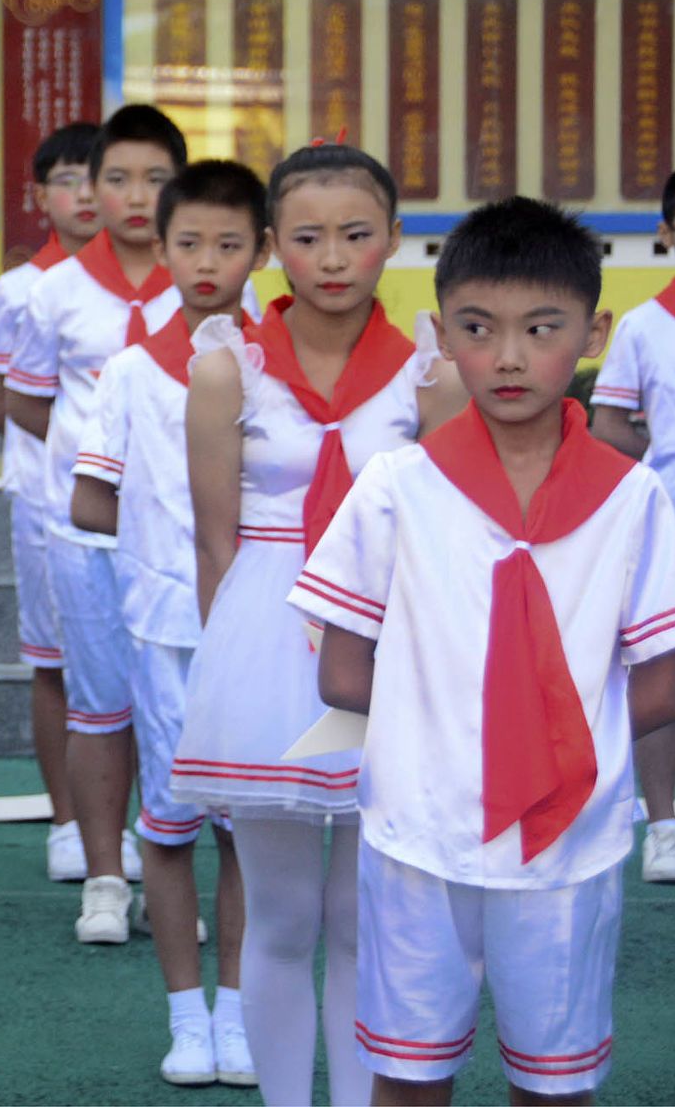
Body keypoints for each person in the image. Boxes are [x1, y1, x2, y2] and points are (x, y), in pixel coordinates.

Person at [292, 197, 675, 1106]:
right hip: (421, 832)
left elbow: (664, 686)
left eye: (540, 329)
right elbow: (340, 671)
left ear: (594, 332)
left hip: (559, 839)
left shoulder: (629, 498)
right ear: (440, 336)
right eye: (477, 330)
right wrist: (486, 742)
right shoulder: (397, 486)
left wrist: (531, 752)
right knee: (411, 1076)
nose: (508, 356)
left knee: (547, 1084)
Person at [173, 141, 461, 1107]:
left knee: (365, 919)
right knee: (283, 919)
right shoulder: (227, 369)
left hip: (390, 640)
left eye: (354, 234)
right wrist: (229, 680)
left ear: (394, 238)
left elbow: (450, 536)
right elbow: (214, 546)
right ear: (269, 247)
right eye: (305, 237)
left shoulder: (430, 372)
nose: (331, 258)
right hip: (267, 638)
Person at [70, 159, 263, 1089]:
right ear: (162, 246)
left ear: (260, 250)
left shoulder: (275, 367)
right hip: (163, 627)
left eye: (229, 245)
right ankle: (187, 1019)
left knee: (250, 829)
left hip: (259, 627)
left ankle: (240, 1015)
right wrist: (163, 538)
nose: (207, 263)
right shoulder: (130, 370)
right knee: (173, 823)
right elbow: (88, 499)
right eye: (189, 243)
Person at [6, 104, 195, 936]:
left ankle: (168, 877)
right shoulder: (52, 291)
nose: (134, 196)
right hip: (80, 533)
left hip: (177, 538)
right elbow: (27, 400)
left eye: (155, 179)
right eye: (116, 178)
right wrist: (95, 466)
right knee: (97, 706)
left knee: (173, 707)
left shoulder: (206, 288)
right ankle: (104, 878)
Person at [587, 162, 675, 883]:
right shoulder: (642, 325)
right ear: (667, 234)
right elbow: (607, 423)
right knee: (662, 672)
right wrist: (655, 460)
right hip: (671, 524)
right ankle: (665, 826)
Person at [0, 119, 101, 879]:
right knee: (55, 660)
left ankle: (137, 822)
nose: (85, 195)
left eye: (99, 178)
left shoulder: (166, 286)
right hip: (48, 499)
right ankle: (68, 821)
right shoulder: (22, 288)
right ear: (39, 196)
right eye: (66, 180)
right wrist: (79, 447)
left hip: (144, 505)